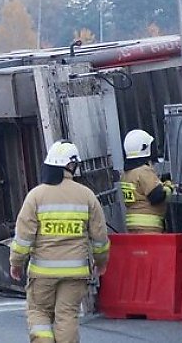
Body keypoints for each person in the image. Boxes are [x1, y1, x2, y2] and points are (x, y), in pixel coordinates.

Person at [9, 140, 110, 343]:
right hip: (76, 273)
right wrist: (101, 262)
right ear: (72, 165)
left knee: (38, 312)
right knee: (67, 315)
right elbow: (100, 237)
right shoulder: (86, 196)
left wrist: (16, 263)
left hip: (42, 274)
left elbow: (23, 237)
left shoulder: (36, 196)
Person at [119, 129, 172, 233]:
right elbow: (157, 196)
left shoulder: (126, 174)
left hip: (132, 226)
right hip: (149, 226)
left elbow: (141, 191)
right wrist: (169, 187)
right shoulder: (144, 171)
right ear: (144, 148)